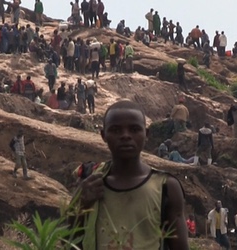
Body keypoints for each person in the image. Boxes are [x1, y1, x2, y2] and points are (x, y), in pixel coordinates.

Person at [72, 100, 188, 249]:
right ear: (103, 135)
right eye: (115, 130)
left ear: (146, 134)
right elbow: (67, 241)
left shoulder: (166, 187)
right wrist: (79, 205)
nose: (125, 136)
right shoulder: (91, 182)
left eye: (134, 129)